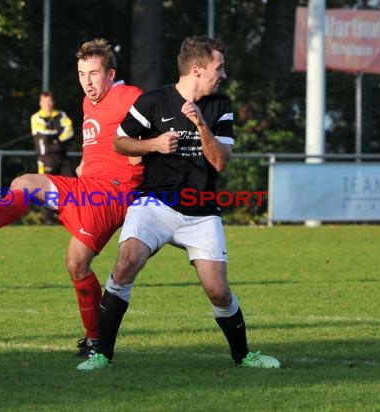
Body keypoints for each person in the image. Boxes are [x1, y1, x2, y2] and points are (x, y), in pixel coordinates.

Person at [77, 36, 280, 371]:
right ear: (197, 70)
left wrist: (201, 124)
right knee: (126, 263)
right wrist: (154, 144)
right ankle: (102, 354)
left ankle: (244, 356)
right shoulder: (153, 101)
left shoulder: (219, 106)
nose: (223, 75)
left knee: (218, 290)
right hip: (154, 203)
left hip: (200, 212)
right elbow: (120, 143)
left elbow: (220, 162)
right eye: (219, 67)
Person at [0, 39, 143, 357]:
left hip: (111, 195)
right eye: (81, 73)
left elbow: (160, 120)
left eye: (94, 73)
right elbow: (100, 144)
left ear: (111, 73)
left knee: (76, 263)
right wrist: (85, 164)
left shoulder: (129, 96)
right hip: (84, 187)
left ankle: (94, 341)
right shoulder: (89, 103)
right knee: (24, 182)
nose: (87, 82)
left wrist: (147, 154)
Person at [30, 91, 74, 224]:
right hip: (45, 158)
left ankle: (69, 217)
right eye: (45, 102)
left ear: (53, 102)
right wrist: (57, 134)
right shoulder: (36, 117)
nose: (48, 104)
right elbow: (42, 134)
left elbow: (69, 131)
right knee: (47, 188)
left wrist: (56, 140)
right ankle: (48, 219)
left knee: (70, 186)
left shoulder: (61, 115)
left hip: (62, 156)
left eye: (50, 101)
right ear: (40, 103)